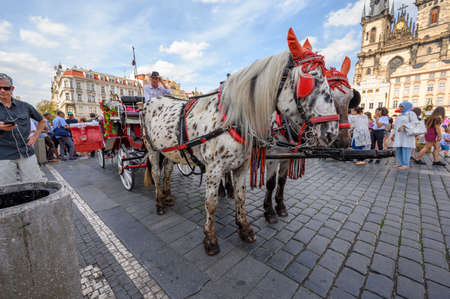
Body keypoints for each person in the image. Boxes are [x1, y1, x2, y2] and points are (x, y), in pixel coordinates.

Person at [0, 73, 46, 185]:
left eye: (5, 88)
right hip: (3, 155)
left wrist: (35, 137)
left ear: (12, 89)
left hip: (26, 152)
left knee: (35, 186)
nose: (2, 91)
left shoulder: (24, 106)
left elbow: (42, 121)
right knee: (7, 190)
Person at [391, 101, 417, 170]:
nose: (400, 108)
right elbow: (396, 126)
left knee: (406, 148)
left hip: (406, 135)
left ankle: (405, 164)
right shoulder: (400, 115)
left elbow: (415, 123)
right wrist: (393, 134)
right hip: (399, 135)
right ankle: (399, 162)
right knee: (399, 148)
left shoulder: (411, 113)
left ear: (407, 107)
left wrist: (404, 126)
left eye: (402, 106)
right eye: (399, 106)